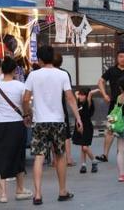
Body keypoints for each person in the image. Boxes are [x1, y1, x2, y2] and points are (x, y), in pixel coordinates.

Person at [24, 45, 82, 205]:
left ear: (40, 59)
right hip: (58, 121)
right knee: (60, 155)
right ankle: (62, 191)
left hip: (40, 121)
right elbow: (70, 98)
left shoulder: (33, 75)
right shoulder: (62, 74)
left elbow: (25, 98)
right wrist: (78, 118)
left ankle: (37, 194)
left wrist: (27, 114)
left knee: (39, 157)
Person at [0, 57, 32, 203]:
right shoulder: (20, 86)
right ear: (15, 70)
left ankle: (3, 194)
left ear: (2, 69)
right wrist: (28, 116)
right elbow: (25, 103)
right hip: (17, 125)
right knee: (18, 156)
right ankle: (20, 190)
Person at [95, 49, 124, 163]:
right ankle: (105, 155)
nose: (123, 59)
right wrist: (104, 94)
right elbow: (100, 81)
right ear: (117, 58)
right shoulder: (111, 70)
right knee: (110, 129)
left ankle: (120, 154)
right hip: (114, 106)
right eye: (120, 56)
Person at [52, 53, 75, 167]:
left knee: (51, 134)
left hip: (46, 108)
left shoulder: (41, 73)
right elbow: (68, 94)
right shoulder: (64, 73)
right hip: (61, 107)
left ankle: (54, 159)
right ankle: (68, 158)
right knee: (66, 134)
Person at [72, 88, 99, 174]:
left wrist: (97, 90)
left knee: (85, 147)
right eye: (80, 94)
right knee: (82, 147)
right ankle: (83, 165)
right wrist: (79, 94)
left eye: (83, 95)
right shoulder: (78, 102)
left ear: (87, 96)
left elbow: (90, 94)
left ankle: (94, 161)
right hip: (79, 126)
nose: (80, 96)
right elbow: (76, 92)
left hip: (87, 127)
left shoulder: (89, 102)